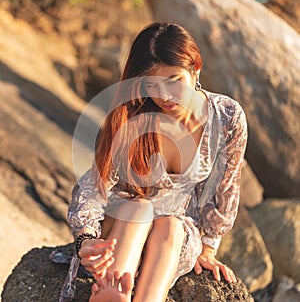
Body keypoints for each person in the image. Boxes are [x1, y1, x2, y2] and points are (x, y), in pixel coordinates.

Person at [67, 22, 248, 302]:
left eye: (174, 81)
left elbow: (227, 189)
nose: (164, 96)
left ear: (195, 69)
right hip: (121, 227)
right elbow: (92, 190)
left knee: (172, 226)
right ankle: (114, 289)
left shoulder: (226, 117)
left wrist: (209, 248)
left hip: (172, 236)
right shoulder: (133, 116)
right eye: (153, 84)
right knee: (138, 209)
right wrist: (87, 240)